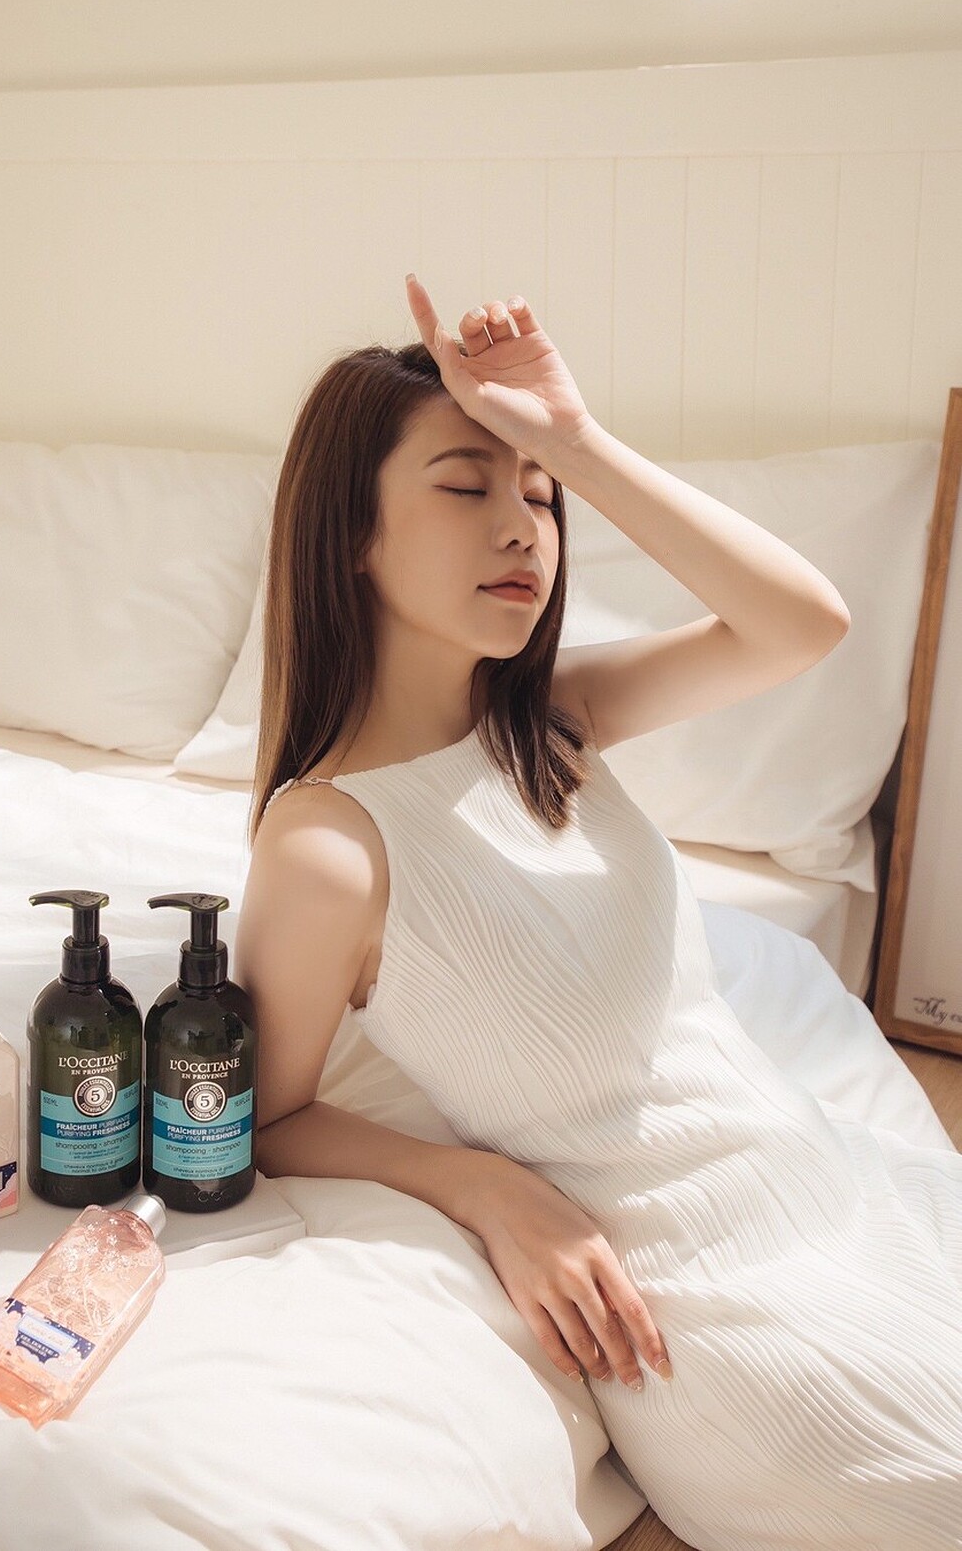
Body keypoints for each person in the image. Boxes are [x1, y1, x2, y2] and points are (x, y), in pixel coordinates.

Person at [234, 274, 962, 1549]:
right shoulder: (329, 845)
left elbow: (804, 622)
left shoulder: (549, 722)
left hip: (834, 1184)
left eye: (542, 500)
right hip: (711, 1305)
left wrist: (572, 438)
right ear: (351, 532)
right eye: (466, 485)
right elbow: (266, 1114)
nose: (523, 527)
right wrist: (484, 1187)